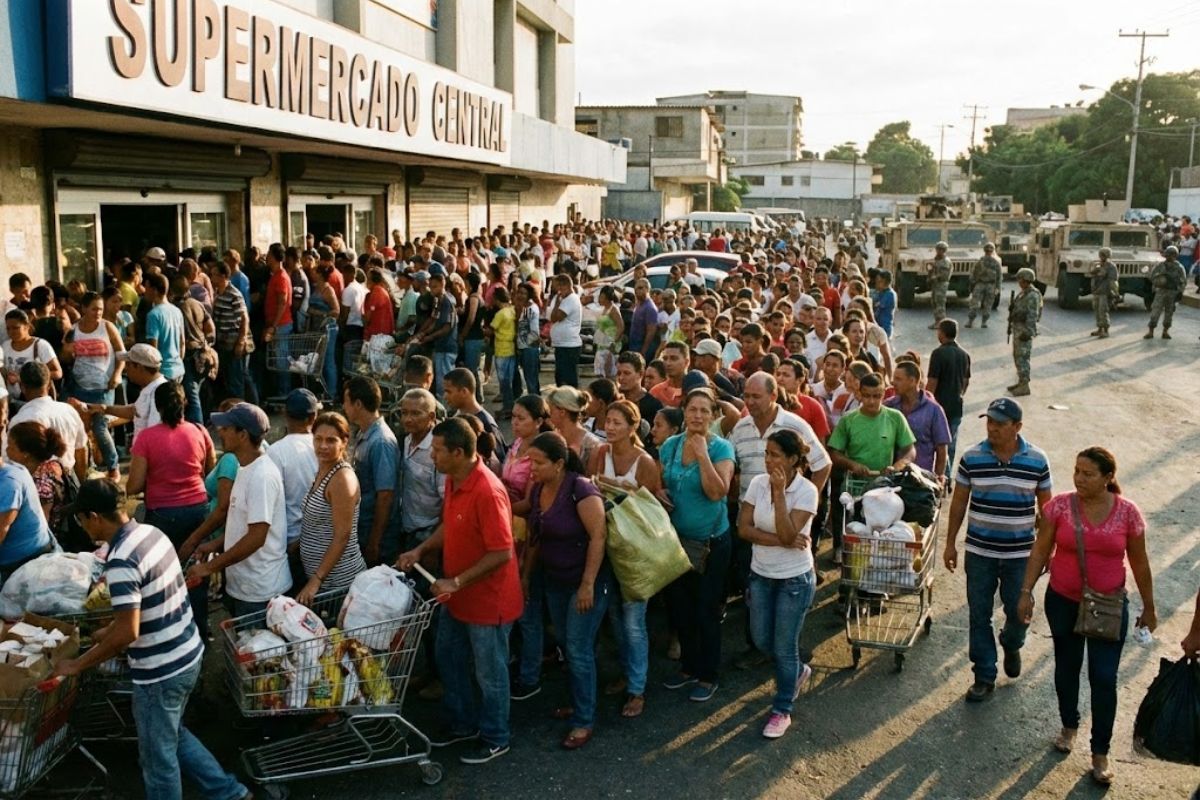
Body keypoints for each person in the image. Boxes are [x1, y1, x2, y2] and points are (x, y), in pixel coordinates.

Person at [55, 479, 251, 800]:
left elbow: (127, 633)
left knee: (158, 761)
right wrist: (106, 633)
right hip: (188, 653)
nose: (81, 526)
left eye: (80, 518)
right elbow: (147, 608)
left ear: (94, 516)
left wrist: (77, 664)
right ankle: (229, 792)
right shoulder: (151, 533)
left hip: (161, 672)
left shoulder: (120, 561)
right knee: (174, 735)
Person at [1016, 447, 1156, 786]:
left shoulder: (1127, 514)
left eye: (1088, 474)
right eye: (1077, 471)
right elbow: (1040, 549)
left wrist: (1149, 607)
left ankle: (1100, 753)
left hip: (1108, 608)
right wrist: (1026, 592)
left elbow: (1139, 562)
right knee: (1066, 666)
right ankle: (1069, 725)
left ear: (1108, 478)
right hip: (1062, 600)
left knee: (1104, 678)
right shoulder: (1060, 506)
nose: (1079, 478)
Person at [397, 418, 522, 765]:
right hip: (456, 597)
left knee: (490, 674)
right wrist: (420, 550)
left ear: (458, 452)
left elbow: (502, 551)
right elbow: (450, 526)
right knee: (449, 658)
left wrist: (457, 581)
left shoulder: (487, 490)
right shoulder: (455, 479)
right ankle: (463, 723)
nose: (432, 456)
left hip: (486, 602)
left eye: (437, 450)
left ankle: (497, 737)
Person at [943, 398, 1052, 703]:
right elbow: (959, 504)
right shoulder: (971, 458)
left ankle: (1012, 642)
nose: (992, 428)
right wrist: (950, 543)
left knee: (1018, 613)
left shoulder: (1037, 461)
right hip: (980, 552)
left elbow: (1048, 512)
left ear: (1017, 427)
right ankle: (984, 675)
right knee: (979, 614)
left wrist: (1047, 551)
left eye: (1000, 424)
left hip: (1021, 556)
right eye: (989, 422)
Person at [523, 432, 613, 749]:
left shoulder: (582, 490)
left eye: (538, 462)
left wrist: (588, 583)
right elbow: (536, 536)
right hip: (554, 581)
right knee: (567, 644)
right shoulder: (539, 490)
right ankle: (579, 702)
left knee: (577, 648)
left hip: (585, 582)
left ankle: (584, 719)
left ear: (559, 464)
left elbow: (598, 537)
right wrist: (525, 577)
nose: (531, 468)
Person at [737, 429, 818, 739]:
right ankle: (798, 672)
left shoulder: (807, 491)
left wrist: (781, 494)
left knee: (784, 649)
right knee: (761, 640)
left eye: (775, 455)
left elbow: (789, 534)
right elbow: (744, 529)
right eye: (766, 454)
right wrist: (780, 541)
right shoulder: (758, 484)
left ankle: (782, 708)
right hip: (760, 575)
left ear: (793, 459)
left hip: (794, 581)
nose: (768, 461)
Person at [658, 388, 736, 703]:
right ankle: (689, 667)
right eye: (693, 409)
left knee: (706, 610)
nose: (698, 416)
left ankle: (708, 674)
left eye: (705, 411)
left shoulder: (722, 449)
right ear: (684, 412)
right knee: (681, 608)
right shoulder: (670, 445)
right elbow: (663, 480)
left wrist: (703, 454)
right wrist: (659, 492)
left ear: (714, 415)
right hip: (677, 543)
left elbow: (718, 492)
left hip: (711, 544)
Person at [126, 381, 215, 636]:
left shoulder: (147, 438)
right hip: (198, 512)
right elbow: (209, 472)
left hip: (163, 515)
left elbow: (133, 485)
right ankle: (200, 630)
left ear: (157, 406)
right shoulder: (199, 431)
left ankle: (168, 632)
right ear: (185, 402)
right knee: (196, 575)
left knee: (162, 577)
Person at [590, 400, 660, 719]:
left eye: (618, 422)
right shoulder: (599, 453)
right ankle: (624, 674)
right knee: (614, 618)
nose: (611, 427)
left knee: (634, 624)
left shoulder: (644, 462)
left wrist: (616, 488)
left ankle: (638, 689)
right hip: (603, 546)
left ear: (633, 428)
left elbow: (652, 509)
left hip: (634, 552)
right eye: (609, 421)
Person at [186, 403, 291, 617]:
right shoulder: (244, 467)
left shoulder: (262, 476)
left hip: (260, 593)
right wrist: (213, 545)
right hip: (244, 587)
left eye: (226, 428)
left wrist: (209, 567)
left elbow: (256, 537)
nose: (220, 432)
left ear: (243, 435)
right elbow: (242, 526)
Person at [296, 412, 367, 606]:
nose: (323, 446)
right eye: (318, 439)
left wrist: (316, 580)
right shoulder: (323, 469)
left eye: (331, 440)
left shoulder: (342, 478)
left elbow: (342, 535)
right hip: (322, 580)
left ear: (344, 442)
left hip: (338, 583)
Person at [62, 291, 124, 480]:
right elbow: (64, 358)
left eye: (100, 309)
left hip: (103, 388)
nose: (98, 313)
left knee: (99, 428)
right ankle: (87, 468)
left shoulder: (108, 328)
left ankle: (114, 467)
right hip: (79, 387)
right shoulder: (73, 330)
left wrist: (117, 374)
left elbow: (122, 353)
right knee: (80, 429)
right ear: (84, 309)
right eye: (94, 309)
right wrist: (67, 350)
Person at [343, 376, 400, 565]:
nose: (344, 407)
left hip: (378, 536)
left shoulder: (381, 442)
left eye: (346, 401)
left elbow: (385, 496)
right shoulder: (364, 433)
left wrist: (374, 543)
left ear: (358, 404)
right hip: (364, 526)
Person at [266, 388, 320, 582]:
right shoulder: (325, 447)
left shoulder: (275, 452)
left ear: (285, 415)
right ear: (314, 417)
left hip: (289, 540)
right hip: (320, 538)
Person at [9, 362, 88, 482]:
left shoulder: (21, 420)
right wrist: (80, 486)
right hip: (70, 483)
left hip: (38, 489)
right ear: (49, 385)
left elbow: (13, 462)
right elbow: (81, 450)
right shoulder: (68, 411)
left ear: (22, 387)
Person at [6, 421, 70, 543]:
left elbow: (41, 526)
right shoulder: (51, 465)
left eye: (11, 447)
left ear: (25, 453)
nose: (7, 451)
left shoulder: (41, 485)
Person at [885, 362, 951, 479]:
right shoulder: (889, 406)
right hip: (891, 477)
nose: (893, 382)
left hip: (921, 479)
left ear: (912, 381)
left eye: (898, 379)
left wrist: (938, 477)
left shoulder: (934, 410)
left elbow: (942, 449)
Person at [926, 319, 971, 481]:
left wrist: (925, 402)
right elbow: (965, 382)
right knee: (951, 445)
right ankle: (948, 478)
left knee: (939, 445)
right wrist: (957, 394)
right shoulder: (964, 355)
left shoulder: (938, 354)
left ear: (942, 333)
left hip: (940, 407)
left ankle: (942, 478)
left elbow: (932, 382)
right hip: (956, 406)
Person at [3, 309, 61, 411]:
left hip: (35, 403)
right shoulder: (5, 346)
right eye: (8, 329)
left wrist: (23, 378)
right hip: (11, 402)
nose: (11, 332)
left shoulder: (40, 345)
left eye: (16, 328)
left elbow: (58, 373)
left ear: (26, 326)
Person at [142, 273, 185, 383]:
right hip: (178, 369)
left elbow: (153, 349)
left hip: (163, 373)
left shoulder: (153, 315)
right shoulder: (177, 311)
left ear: (155, 290)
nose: (144, 291)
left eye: (147, 288)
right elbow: (182, 343)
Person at [545, 386, 602, 468]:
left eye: (551, 410)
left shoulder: (591, 445)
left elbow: (591, 478)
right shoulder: (551, 438)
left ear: (562, 412)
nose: (548, 415)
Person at [1007, 268, 1042, 397]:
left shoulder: (1032, 295)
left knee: (1023, 358)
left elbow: (1033, 315)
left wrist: (1028, 331)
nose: (1019, 282)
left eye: (1020, 279)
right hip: (1018, 328)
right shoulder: (1024, 293)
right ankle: (1021, 382)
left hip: (1024, 330)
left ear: (1025, 280)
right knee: (1017, 356)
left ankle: (1024, 385)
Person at [1145, 244, 1187, 340]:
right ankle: (1151, 331)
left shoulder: (1179, 267)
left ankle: (1165, 331)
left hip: (1172, 292)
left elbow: (1183, 281)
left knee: (1169, 313)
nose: (1169, 257)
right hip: (1161, 291)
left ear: (1175, 256)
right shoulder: (1160, 266)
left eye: (1172, 255)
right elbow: (1151, 276)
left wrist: (1180, 292)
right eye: (1168, 255)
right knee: (1155, 311)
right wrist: (1158, 280)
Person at [548, 274, 583, 388]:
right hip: (562, 345)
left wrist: (558, 303)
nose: (558, 291)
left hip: (569, 345)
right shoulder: (566, 299)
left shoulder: (570, 299)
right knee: (560, 377)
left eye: (559, 287)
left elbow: (556, 317)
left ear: (566, 285)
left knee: (567, 379)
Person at [514, 283, 541, 399]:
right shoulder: (522, 307)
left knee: (531, 379)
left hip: (529, 348)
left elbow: (530, 331)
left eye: (523, 293)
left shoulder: (530, 309)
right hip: (523, 346)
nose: (520, 295)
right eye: (519, 292)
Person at [966, 243, 1002, 328]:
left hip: (990, 285)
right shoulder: (980, 262)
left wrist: (998, 288)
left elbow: (999, 276)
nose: (989, 252)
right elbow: (973, 273)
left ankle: (983, 321)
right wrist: (973, 283)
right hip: (981, 284)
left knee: (987, 304)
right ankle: (971, 320)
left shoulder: (995, 263)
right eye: (987, 250)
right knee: (975, 303)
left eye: (990, 250)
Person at [592, 286, 624, 380]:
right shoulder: (605, 309)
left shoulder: (614, 309)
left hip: (609, 344)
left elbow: (621, 326)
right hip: (601, 343)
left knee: (609, 371)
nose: (599, 299)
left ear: (608, 297)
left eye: (602, 297)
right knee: (600, 370)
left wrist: (613, 343)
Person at [1089, 247, 1118, 339]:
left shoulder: (1111, 267)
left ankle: (1106, 330)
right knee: (1096, 310)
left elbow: (1113, 280)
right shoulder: (1098, 265)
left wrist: (1115, 293)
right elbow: (1092, 274)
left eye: (1103, 255)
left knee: (1103, 310)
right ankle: (1099, 328)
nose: (1101, 257)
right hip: (1097, 291)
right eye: (1101, 255)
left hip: (1105, 291)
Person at [927, 241, 953, 329]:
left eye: (941, 249)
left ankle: (941, 323)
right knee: (934, 302)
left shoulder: (945, 261)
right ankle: (937, 321)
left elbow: (944, 275)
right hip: (936, 284)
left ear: (944, 250)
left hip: (941, 284)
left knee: (940, 303)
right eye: (938, 249)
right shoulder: (937, 259)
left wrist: (934, 277)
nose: (939, 251)